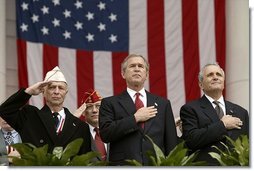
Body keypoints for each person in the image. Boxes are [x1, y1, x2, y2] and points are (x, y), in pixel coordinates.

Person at [99, 54, 178, 165]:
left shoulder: (163, 104)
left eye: (140, 66)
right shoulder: (109, 103)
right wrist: (135, 118)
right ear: (123, 74)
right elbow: (105, 134)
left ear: (147, 74)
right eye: (132, 66)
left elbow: (171, 142)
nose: (136, 69)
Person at [0, 66, 91, 155]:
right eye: (52, 87)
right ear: (43, 91)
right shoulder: (29, 116)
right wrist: (29, 91)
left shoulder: (81, 126)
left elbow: (85, 161)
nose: (56, 91)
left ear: (66, 92)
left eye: (61, 88)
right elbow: (4, 110)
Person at [180, 63, 249, 165]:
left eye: (219, 74)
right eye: (210, 75)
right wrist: (222, 125)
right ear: (201, 84)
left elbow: (247, 145)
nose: (215, 77)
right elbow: (191, 141)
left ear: (223, 82)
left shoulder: (241, 112)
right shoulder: (190, 109)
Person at [74, 89, 108, 161]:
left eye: (98, 106)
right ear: (83, 112)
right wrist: (72, 119)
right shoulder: (77, 133)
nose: (94, 110)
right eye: (89, 106)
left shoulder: (112, 130)